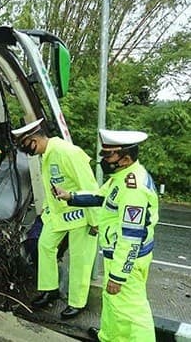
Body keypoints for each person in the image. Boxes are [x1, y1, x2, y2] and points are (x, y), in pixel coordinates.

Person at [54, 129, 158, 342]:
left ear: (126, 158)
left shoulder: (133, 189)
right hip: (116, 254)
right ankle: (108, 337)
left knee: (133, 312)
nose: (103, 159)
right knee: (112, 302)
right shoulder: (121, 177)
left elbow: (132, 237)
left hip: (128, 259)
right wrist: (70, 196)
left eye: (108, 155)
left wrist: (119, 276)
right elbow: (100, 197)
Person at [11, 118, 98, 319]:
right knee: (44, 246)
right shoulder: (46, 155)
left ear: (34, 139)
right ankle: (50, 289)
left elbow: (90, 186)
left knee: (79, 259)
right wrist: (46, 211)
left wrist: (95, 221)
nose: (26, 151)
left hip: (81, 214)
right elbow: (51, 187)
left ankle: (77, 302)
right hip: (58, 215)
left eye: (25, 145)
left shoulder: (68, 153)